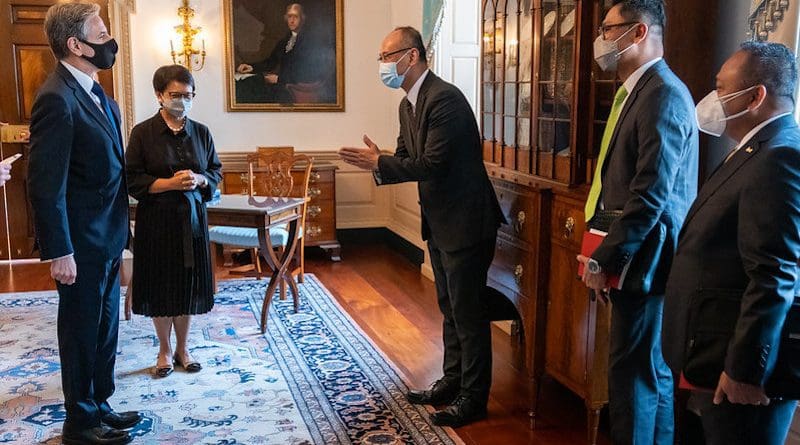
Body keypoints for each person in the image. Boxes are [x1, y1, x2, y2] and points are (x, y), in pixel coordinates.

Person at [339, 26, 504, 428]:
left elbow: (431, 164)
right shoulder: (407, 105)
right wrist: (380, 159)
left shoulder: (443, 98)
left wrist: (379, 163)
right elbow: (406, 159)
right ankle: (452, 381)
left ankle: (473, 398)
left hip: (466, 222)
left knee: (468, 313)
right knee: (449, 308)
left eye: (386, 56)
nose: (382, 65)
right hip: (440, 221)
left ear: (411, 56)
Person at [663, 41, 800, 445]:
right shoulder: (752, 149)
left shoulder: (778, 157)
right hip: (707, 353)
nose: (713, 99)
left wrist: (744, 370)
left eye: (721, 88)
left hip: (736, 373)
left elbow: (773, 276)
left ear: (756, 96)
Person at [575, 1, 698, 443]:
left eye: (608, 29)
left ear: (639, 32)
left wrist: (604, 260)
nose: (599, 40)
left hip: (645, 260)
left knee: (632, 378)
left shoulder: (662, 92)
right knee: (650, 376)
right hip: (636, 256)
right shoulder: (638, 90)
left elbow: (650, 194)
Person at [27, 2, 140, 444]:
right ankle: (79, 423)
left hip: (108, 237)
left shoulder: (101, 97)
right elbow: (44, 183)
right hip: (79, 243)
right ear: (76, 45)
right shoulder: (56, 97)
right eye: (101, 33)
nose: (108, 42)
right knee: (80, 332)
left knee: (105, 327)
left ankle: (100, 404)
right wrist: (59, 250)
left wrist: (125, 235)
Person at [126, 64, 222, 378]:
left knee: (188, 285)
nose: (182, 100)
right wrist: (170, 184)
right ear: (159, 95)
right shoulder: (143, 133)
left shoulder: (202, 132)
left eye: (188, 95)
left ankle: (183, 346)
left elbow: (215, 173)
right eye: (176, 95)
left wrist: (199, 179)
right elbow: (133, 179)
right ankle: (164, 349)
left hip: (193, 221)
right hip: (157, 221)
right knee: (161, 286)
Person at [235, 3, 321, 103]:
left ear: (302, 18)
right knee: (247, 83)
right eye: (289, 16)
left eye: (295, 16)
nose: (292, 20)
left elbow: (309, 72)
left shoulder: (310, 42)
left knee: (253, 85)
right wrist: (251, 67)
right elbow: (271, 62)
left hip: (292, 88)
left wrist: (280, 78)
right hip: (281, 85)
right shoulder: (284, 41)